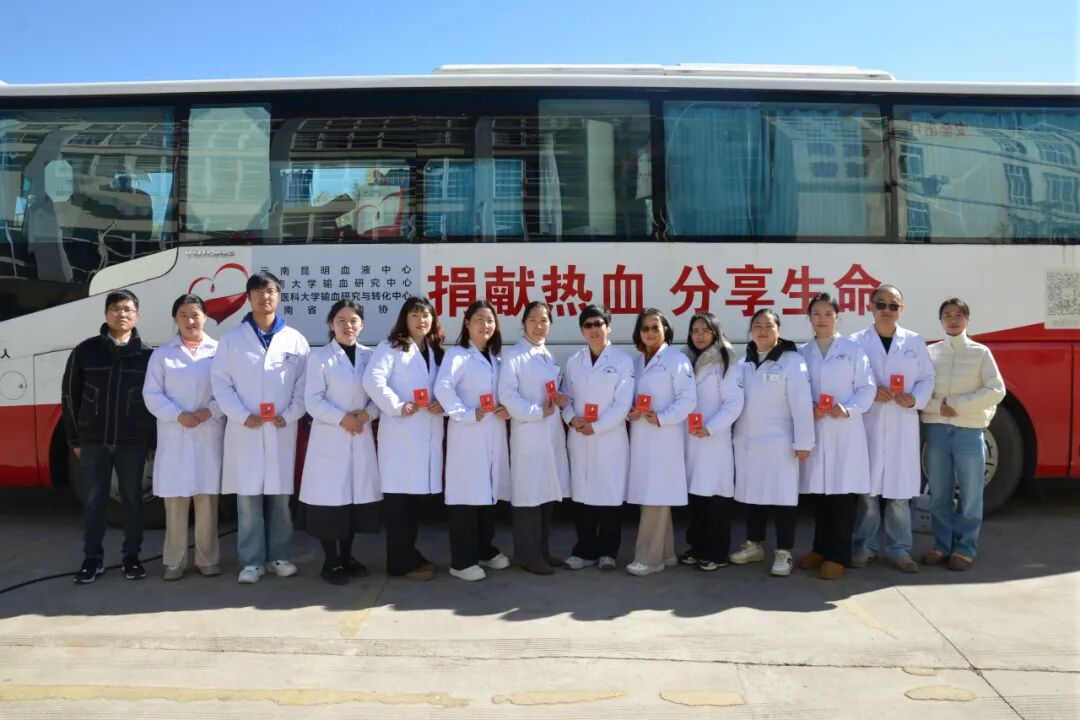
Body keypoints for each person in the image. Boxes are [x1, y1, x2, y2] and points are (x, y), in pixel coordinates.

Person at [211, 271, 309, 584]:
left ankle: (280, 556)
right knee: (248, 499)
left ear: (279, 296)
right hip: (246, 429)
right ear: (248, 297)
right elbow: (221, 384)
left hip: (281, 428)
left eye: (270, 291)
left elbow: (304, 385)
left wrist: (290, 415)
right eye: (258, 292)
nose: (265, 297)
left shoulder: (295, 339)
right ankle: (251, 562)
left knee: (280, 500)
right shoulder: (231, 339)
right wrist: (242, 416)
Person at [62, 289, 155, 584]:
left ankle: (132, 557)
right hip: (94, 442)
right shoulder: (85, 351)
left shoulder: (148, 356)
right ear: (106, 314)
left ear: (136, 315)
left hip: (132, 443)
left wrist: (152, 442)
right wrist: (74, 439)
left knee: (133, 500)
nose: (121, 314)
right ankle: (92, 559)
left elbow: (153, 404)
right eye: (115, 309)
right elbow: (70, 396)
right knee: (94, 501)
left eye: (127, 309)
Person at [850, 284, 935, 573]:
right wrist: (870, 392)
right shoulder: (856, 342)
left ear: (901, 309)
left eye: (893, 305)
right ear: (870, 306)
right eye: (881, 304)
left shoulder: (914, 342)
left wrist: (916, 399)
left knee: (899, 495)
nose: (887, 310)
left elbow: (927, 378)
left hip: (901, 423)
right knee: (868, 495)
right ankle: (865, 546)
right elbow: (847, 380)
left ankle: (900, 549)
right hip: (869, 424)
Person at [362, 297, 446, 581]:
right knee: (399, 503)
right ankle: (399, 562)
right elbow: (372, 380)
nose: (421, 320)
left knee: (414, 503)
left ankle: (410, 553)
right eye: (415, 315)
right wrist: (398, 405)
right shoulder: (391, 347)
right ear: (404, 320)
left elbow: (444, 386)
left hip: (426, 433)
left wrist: (442, 403)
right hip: (401, 435)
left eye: (426, 315)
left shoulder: (435, 350)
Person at [142, 294, 224, 580]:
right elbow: (151, 394)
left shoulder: (219, 351)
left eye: (195, 314)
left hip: (207, 433)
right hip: (175, 434)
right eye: (184, 315)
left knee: (207, 503)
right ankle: (174, 561)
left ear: (205, 317)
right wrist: (178, 415)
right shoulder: (162, 354)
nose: (190, 321)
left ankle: (207, 559)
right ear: (175, 319)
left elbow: (229, 390)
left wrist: (210, 411)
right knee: (176, 504)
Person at [300, 300, 382, 585]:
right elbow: (312, 400)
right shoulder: (319, 358)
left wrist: (367, 414)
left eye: (353, 320)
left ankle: (347, 557)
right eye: (341, 320)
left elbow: (378, 396)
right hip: (330, 438)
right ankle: (331, 561)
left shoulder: (371, 357)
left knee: (353, 503)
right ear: (331, 324)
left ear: (362, 325)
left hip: (360, 435)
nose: (348, 326)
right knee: (329, 503)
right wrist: (342, 418)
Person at [920, 298, 1005, 571]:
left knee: (970, 494)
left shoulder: (981, 353)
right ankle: (942, 545)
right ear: (941, 320)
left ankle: (965, 549)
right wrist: (939, 407)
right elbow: (919, 392)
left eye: (959, 315)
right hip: (937, 430)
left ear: (967, 319)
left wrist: (957, 405)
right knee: (940, 492)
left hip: (969, 431)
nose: (953, 320)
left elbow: (996, 389)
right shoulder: (931, 353)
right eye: (947, 315)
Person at [730, 309, 815, 577]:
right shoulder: (744, 362)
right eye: (757, 326)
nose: (762, 331)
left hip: (781, 443)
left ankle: (784, 552)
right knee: (752, 495)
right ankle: (754, 545)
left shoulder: (792, 361)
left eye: (768, 325)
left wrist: (804, 442)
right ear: (750, 331)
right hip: (748, 442)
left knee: (783, 499)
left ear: (779, 330)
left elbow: (802, 404)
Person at [797, 293, 875, 580]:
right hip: (816, 429)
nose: (822, 319)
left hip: (844, 430)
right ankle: (819, 549)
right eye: (816, 314)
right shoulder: (802, 353)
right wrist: (808, 408)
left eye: (828, 314)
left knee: (842, 495)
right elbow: (795, 390)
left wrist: (848, 409)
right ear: (809, 318)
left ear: (837, 317)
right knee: (820, 495)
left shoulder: (853, 350)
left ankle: (838, 555)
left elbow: (867, 388)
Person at [434, 299, 512, 582]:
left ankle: (484, 549)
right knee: (466, 497)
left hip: (492, 433)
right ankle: (462, 560)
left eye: (490, 320)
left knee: (487, 494)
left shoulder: (495, 357)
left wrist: (506, 408)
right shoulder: (458, 355)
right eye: (479, 319)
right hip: (468, 435)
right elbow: (443, 387)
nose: (485, 325)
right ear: (467, 323)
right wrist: (465, 413)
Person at [498, 301, 570, 575]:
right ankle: (528, 555)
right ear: (523, 323)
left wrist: (558, 399)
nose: (539, 326)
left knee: (547, 492)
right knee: (528, 494)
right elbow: (508, 395)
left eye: (544, 321)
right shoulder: (513, 356)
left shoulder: (547, 355)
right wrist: (537, 412)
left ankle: (543, 550)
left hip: (550, 432)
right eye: (533, 320)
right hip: (528, 432)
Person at [561, 305, 635, 571]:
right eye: (588, 325)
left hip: (609, 438)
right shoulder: (574, 361)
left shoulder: (623, 361)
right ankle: (584, 551)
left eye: (598, 324)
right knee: (582, 497)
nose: (594, 329)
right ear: (582, 330)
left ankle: (608, 552)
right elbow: (565, 398)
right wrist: (571, 418)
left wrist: (598, 427)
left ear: (608, 327)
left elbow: (622, 404)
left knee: (609, 496)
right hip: (580, 436)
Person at [625, 308, 697, 577]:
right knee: (654, 495)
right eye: (645, 328)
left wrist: (662, 418)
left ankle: (649, 558)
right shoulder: (637, 362)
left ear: (666, 330)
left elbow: (688, 399)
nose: (650, 333)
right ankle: (666, 553)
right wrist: (631, 412)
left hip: (664, 437)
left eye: (655, 327)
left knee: (655, 495)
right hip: (642, 438)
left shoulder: (677, 360)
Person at [680, 312, 744, 572]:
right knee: (697, 497)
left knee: (716, 498)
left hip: (714, 440)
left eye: (705, 330)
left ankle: (717, 553)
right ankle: (697, 548)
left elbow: (734, 404)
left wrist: (710, 428)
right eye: (695, 331)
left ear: (715, 333)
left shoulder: (725, 361)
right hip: (692, 440)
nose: (700, 335)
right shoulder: (685, 361)